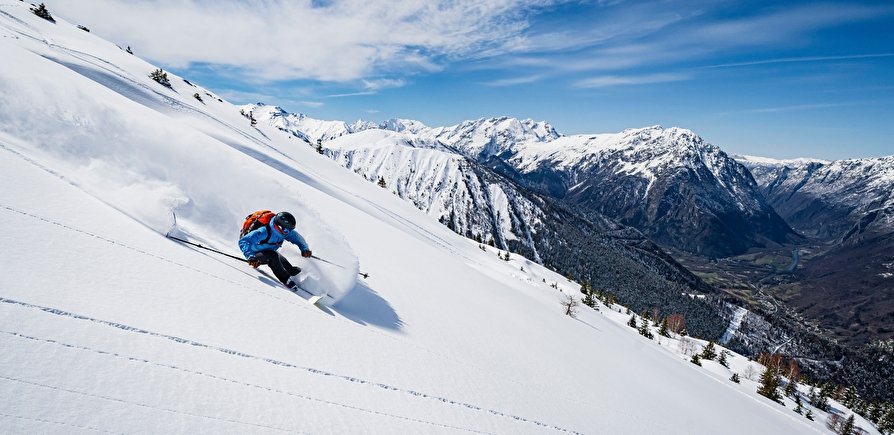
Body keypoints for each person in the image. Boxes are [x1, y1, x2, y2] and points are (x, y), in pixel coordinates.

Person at [238, 211, 312, 289]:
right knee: (273, 257)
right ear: (279, 227)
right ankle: (286, 279)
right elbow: (244, 241)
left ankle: (292, 271)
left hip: (267, 250)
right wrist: (251, 257)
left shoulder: (284, 231)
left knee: (278, 257)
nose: (288, 233)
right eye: (287, 230)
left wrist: (304, 249)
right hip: (254, 254)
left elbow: (297, 238)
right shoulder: (263, 232)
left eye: (290, 230)